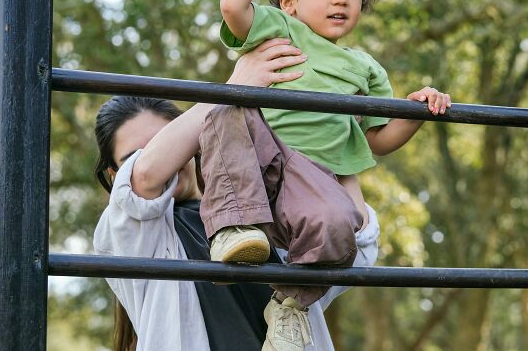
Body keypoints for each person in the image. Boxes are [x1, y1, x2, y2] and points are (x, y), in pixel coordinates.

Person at [213, 0, 451, 350]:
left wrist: (416, 113)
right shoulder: (279, 29)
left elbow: (378, 138)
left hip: (312, 183)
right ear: (289, 1)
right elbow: (232, 7)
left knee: (342, 220)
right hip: (260, 165)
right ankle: (232, 226)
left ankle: (290, 306)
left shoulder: (364, 69)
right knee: (224, 110)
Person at [92, 39, 380, 351]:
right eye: (134, 156)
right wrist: (234, 88)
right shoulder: (124, 232)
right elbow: (145, 176)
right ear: (114, 175)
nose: (164, 164)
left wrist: (344, 141)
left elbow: (356, 245)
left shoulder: (256, 206)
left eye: (164, 143)